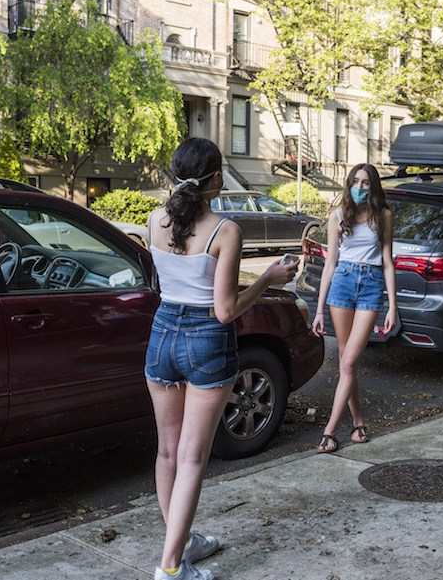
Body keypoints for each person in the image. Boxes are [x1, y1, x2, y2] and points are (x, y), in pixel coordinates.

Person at [145, 138, 297, 580]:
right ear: (216, 178)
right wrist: (268, 277)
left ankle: (182, 539)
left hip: (161, 335)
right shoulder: (224, 230)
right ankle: (171, 568)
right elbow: (225, 310)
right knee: (193, 457)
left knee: (168, 452)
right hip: (205, 340)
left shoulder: (155, 220)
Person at [311, 163, 396, 453]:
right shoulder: (337, 216)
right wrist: (319, 309)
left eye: (365, 183)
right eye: (355, 182)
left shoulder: (383, 216)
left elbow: (387, 262)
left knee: (347, 363)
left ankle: (330, 430)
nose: (360, 188)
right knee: (349, 363)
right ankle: (358, 422)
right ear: (348, 185)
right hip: (342, 285)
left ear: (373, 186)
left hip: (371, 285)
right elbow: (330, 263)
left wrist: (392, 307)